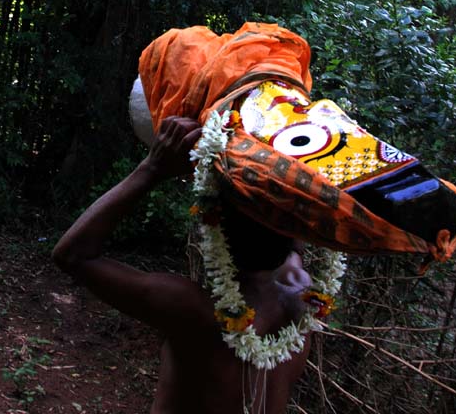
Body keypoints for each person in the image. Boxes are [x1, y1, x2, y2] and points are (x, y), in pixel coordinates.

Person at [53, 116, 313, 414]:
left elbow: (72, 254)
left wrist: (152, 168)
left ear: (214, 229)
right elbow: (293, 239)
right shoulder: (302, 293)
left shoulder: (194, 311)